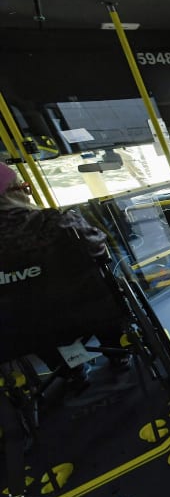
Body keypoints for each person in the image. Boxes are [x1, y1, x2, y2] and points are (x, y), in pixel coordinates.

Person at [0, 161, 127, 384]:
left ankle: (69, 369)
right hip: (86, 310)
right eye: (23, 187)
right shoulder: (57, 222)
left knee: (27, 319)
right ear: (13, 194)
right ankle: (117, 350)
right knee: (99, 284)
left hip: (24, 332)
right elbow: (99, 249)